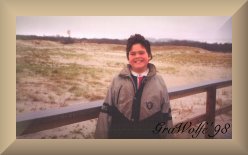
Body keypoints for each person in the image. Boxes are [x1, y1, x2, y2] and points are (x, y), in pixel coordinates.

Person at [95, 34, 173, 139]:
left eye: (141, 52)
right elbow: (105, 113)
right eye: (133, 54)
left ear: (149, 55)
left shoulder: (159, 82)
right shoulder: (117, 80)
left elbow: (166, 115)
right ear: (128, 57)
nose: (137, 56)